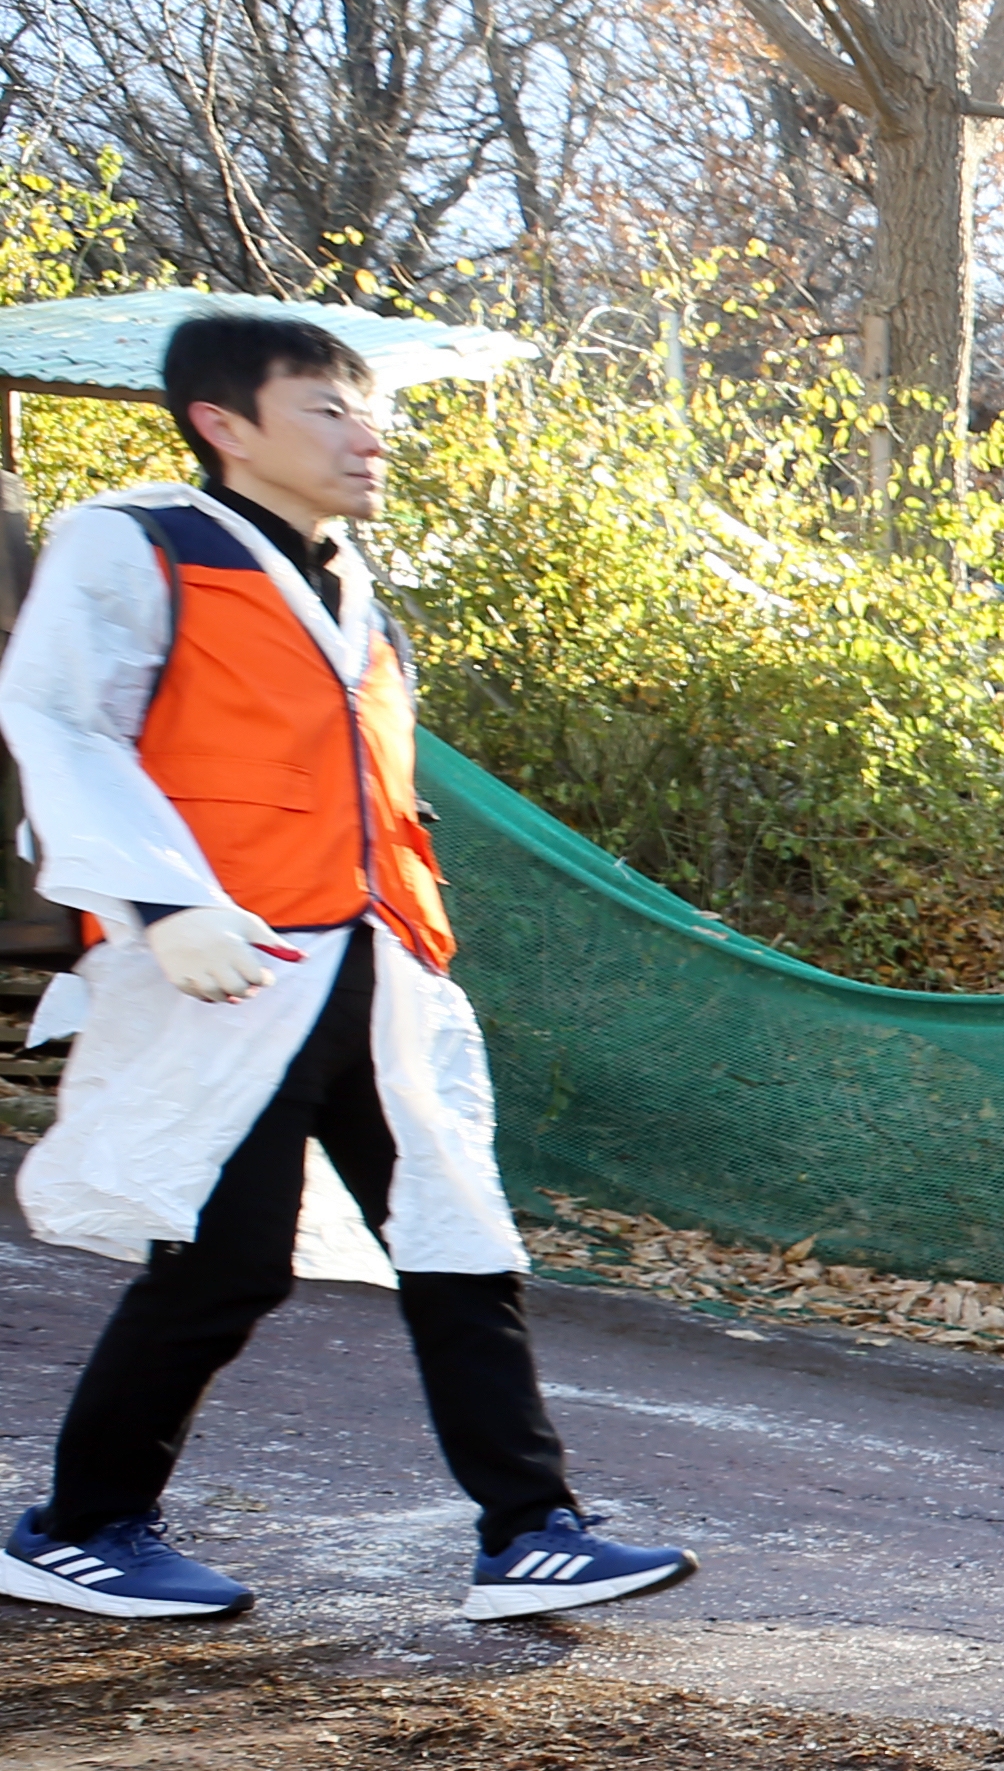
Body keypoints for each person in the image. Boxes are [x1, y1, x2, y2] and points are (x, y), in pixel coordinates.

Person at [0, 311, 691, 1628]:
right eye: (326, 409)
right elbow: (61, 726)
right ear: (223, 424)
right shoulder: (143, 544)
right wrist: (158, 902)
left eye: (367, 412)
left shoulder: (349, 585)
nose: (366, 436)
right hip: (227, 968)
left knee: (457, 1241)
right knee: (223, 1266)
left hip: (373, 966)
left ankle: (531, 1528)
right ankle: (78, 1527)